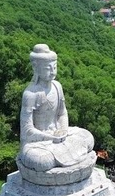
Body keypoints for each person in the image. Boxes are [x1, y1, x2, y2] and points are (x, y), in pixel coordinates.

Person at [18, 44, 94, 172]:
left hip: (58, 135)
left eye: (54, 67)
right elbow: (27, 130)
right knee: (42, 161)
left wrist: (63, 130)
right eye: (48, 68)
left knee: (88, 137)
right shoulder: (30, 94)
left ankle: (62, 153)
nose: (53, 72)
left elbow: (62, 113)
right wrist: (51, 138)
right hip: (39, 142)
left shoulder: (57, 86)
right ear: (36, 68)